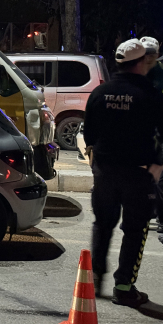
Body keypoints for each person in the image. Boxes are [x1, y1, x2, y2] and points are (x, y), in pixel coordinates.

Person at [84, 38, 163, 307]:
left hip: (105, 171)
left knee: (102, 224)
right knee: (135, 229)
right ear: (140, 63)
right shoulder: (150, 94)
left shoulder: (99, 93)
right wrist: (157, 165)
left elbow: (89, 134)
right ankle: (124, 286)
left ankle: (94, 276)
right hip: (138, 174)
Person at [141, 36, 163, 240]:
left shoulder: (160, 73)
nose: (148, 57)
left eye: (151, 53)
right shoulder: (137, 72)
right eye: (145, 53)